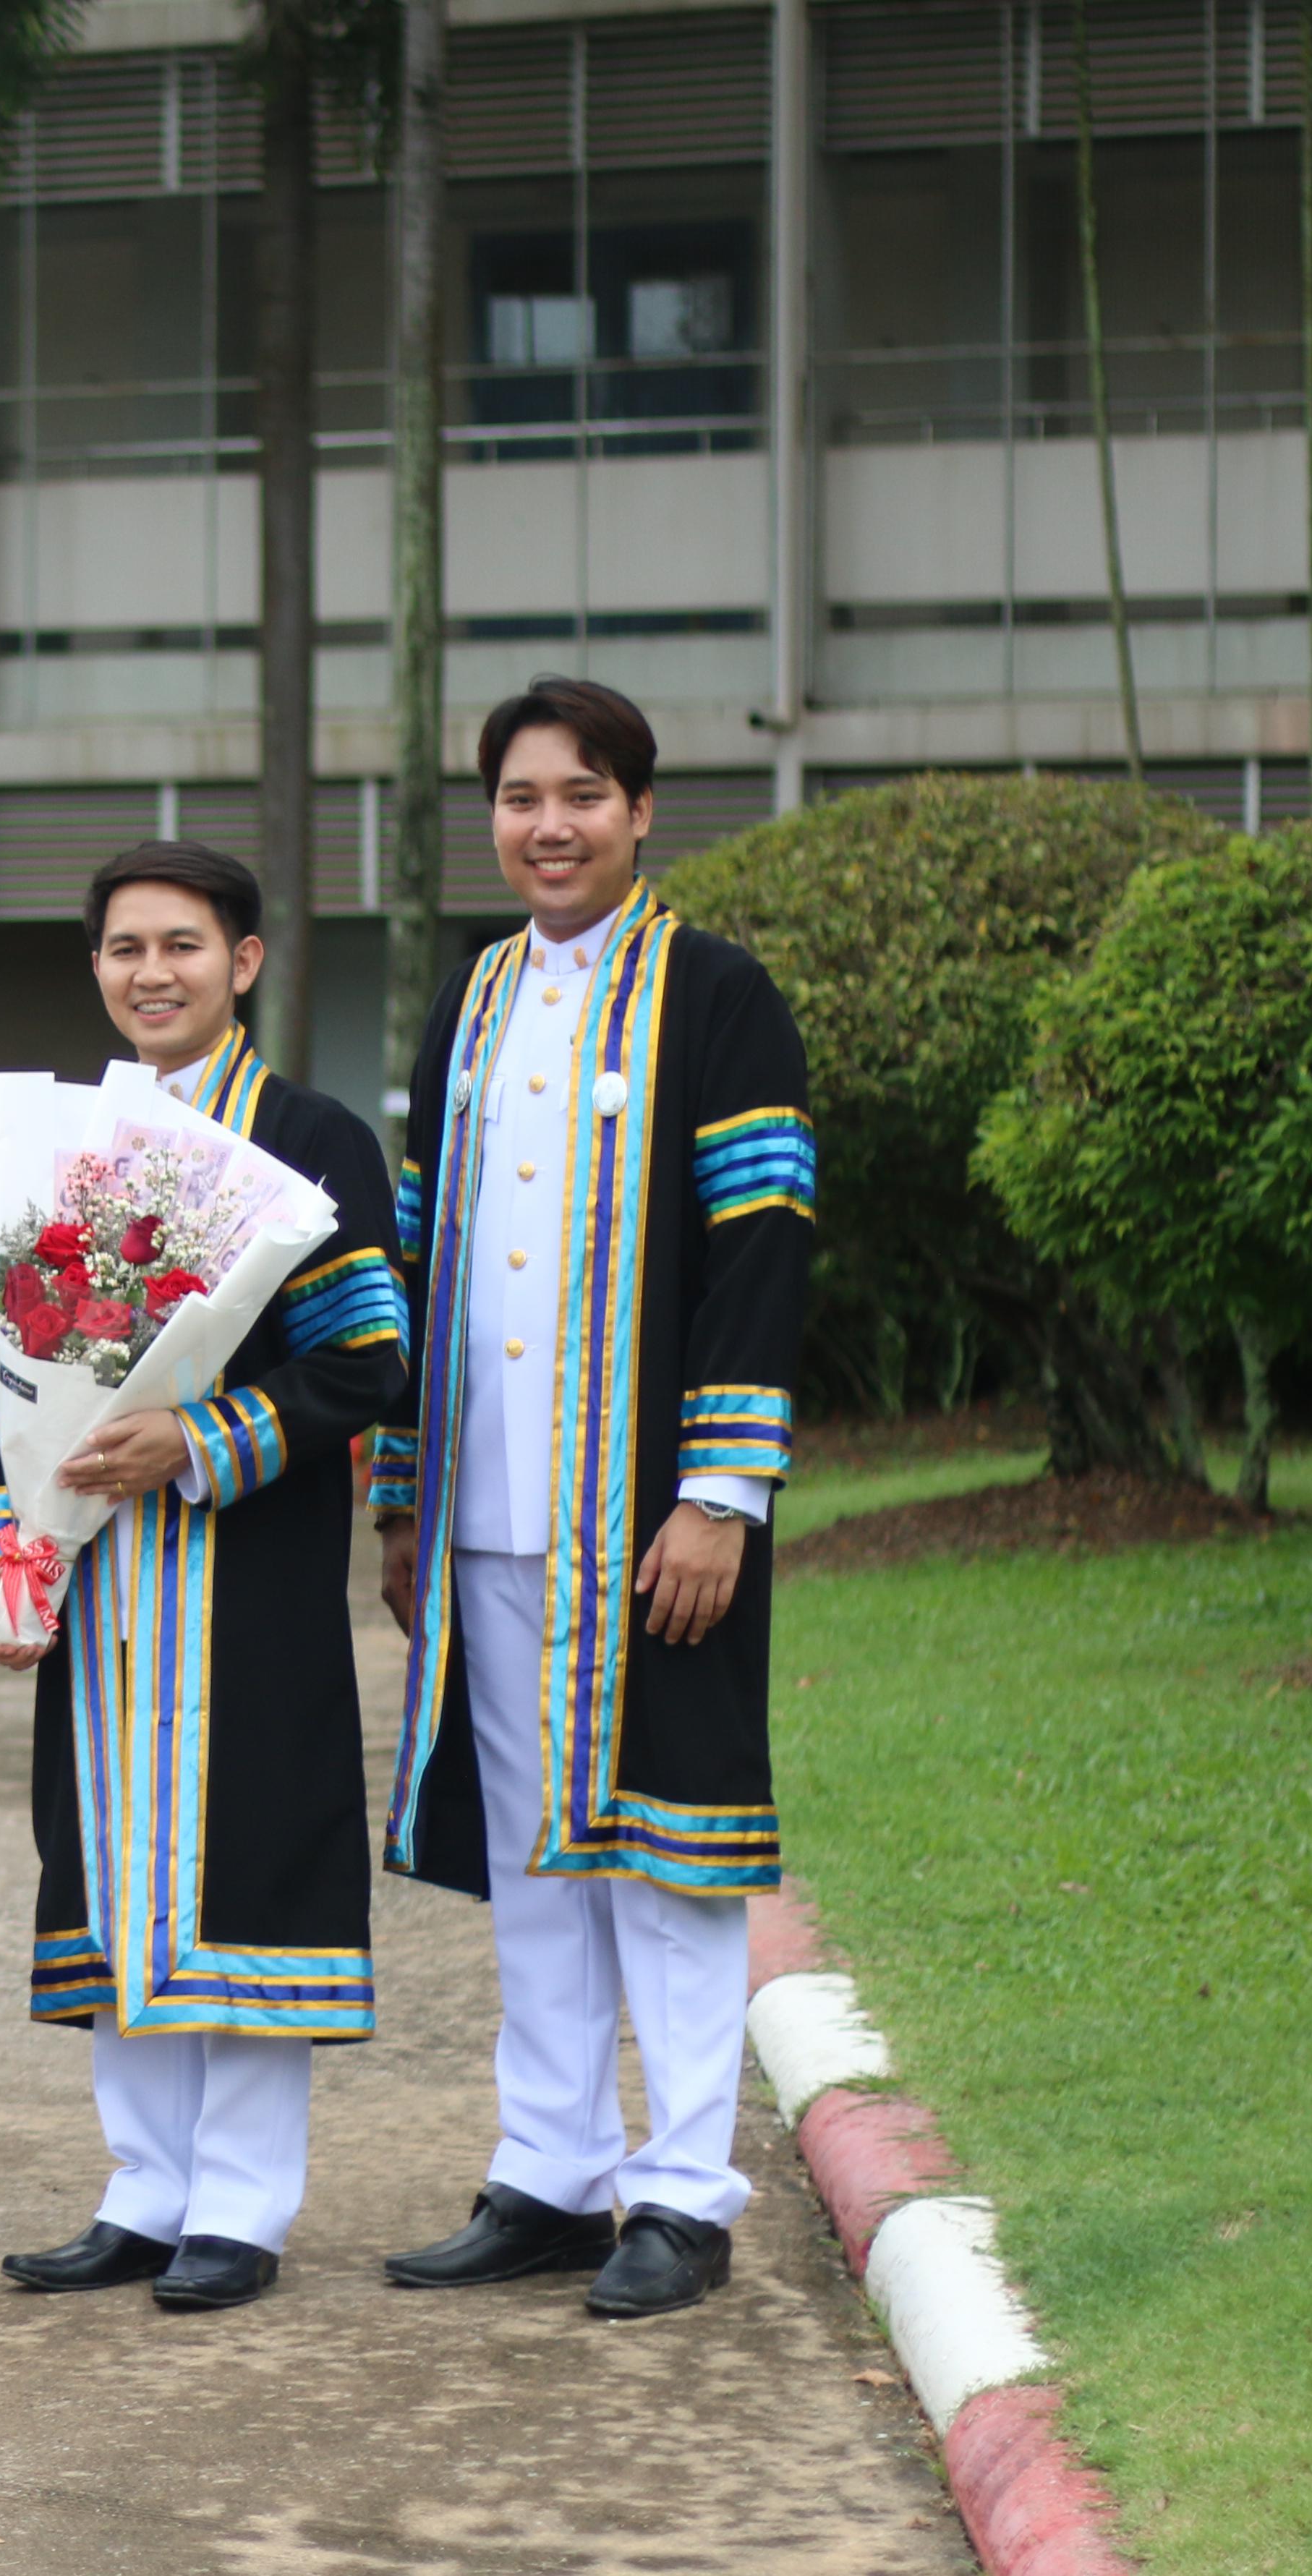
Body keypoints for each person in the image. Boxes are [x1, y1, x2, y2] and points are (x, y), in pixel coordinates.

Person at [371, 677, 814, 2319]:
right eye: (518, 798)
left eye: (581, 795)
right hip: (490, 1511)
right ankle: (551, 2175)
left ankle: (683, 2197)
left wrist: (720, 1493)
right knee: (538, 1867)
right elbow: (421, 1261)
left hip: (649, 1519)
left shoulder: (716, 995)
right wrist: (406, 1501)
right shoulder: (472, 1002)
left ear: (640, 813)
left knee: (668, 1861)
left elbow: (765, 1252)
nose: (547, 826)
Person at [0, 845, 408, 2313]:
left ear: (248, 959)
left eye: (180, 944)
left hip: (246, 1568)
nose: (150, 972)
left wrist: (202, 1435)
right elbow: (18, 1366)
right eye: (121, 948)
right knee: (106, 1860)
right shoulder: (69, 1145)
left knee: (246, 1863)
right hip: (101, 1578)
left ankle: (242, 2205)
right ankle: (142, 2189)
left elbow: (365, 1360)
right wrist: (19, 1531)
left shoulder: (315, 1138)